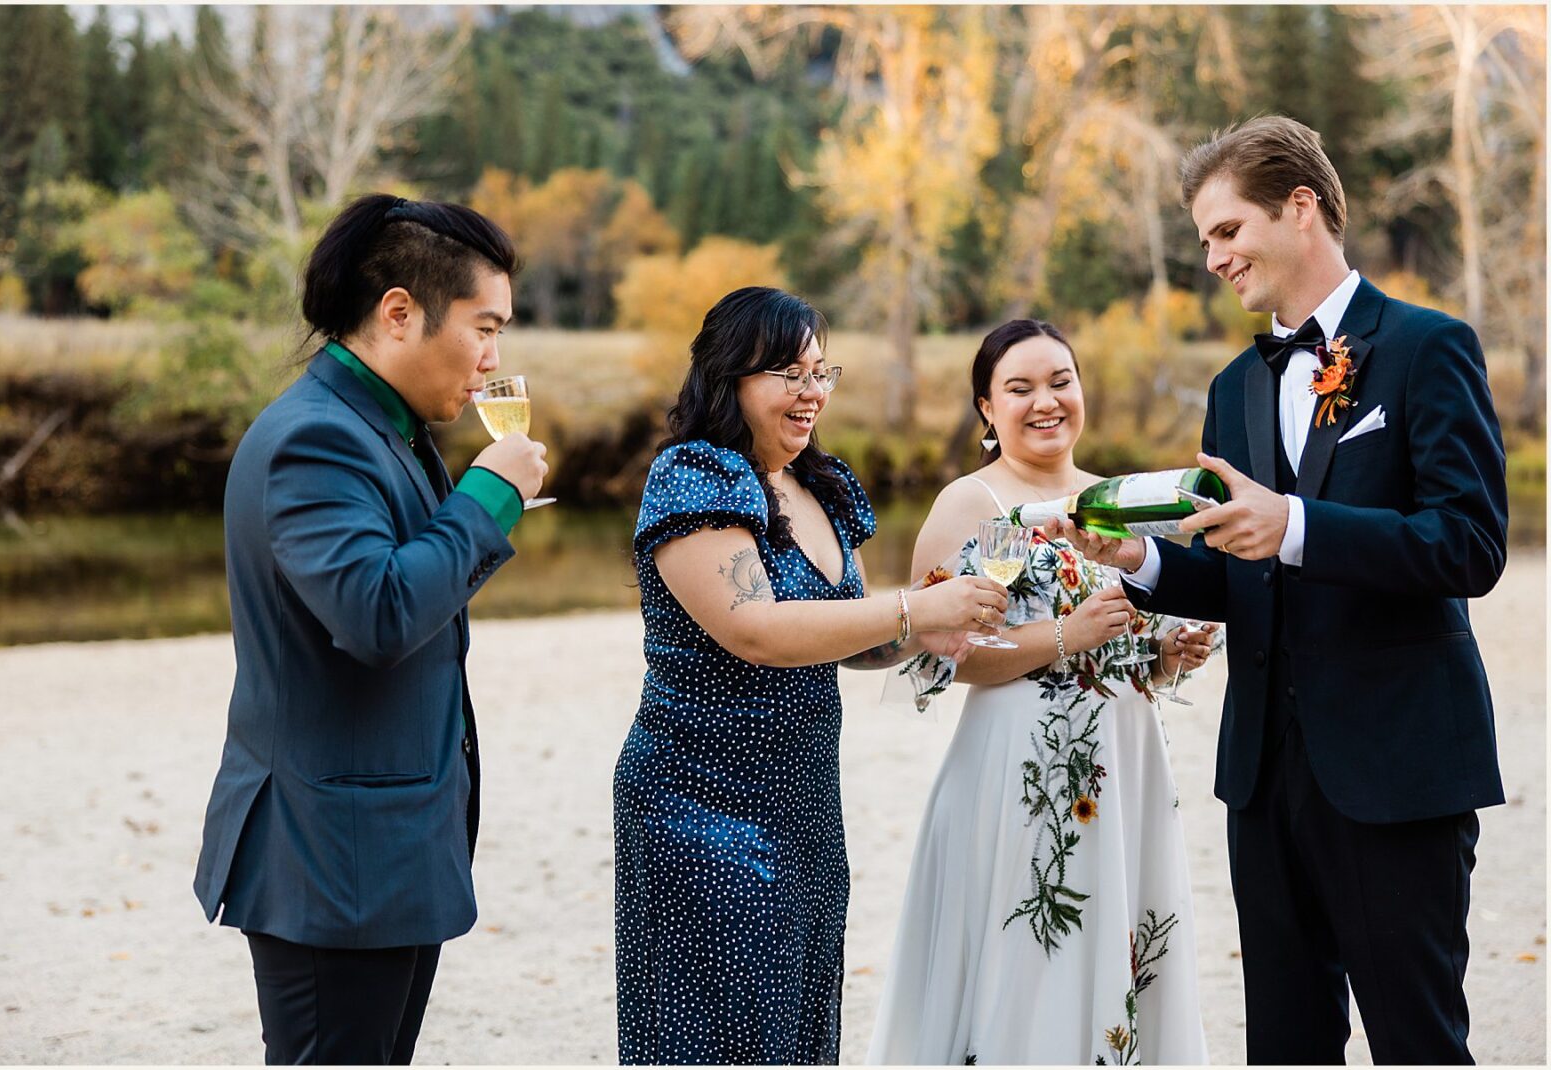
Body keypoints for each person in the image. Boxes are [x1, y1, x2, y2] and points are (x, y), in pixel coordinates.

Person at [1055, 116, 1508, 1064]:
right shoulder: (1232, 387)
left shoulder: (1429, 348)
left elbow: (1470, 546)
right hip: (1264, 780)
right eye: (1205, 239)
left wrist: (1298, 527)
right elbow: (1237, 579)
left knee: (1419, 1041)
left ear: (1302, 208)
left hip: (1397, 770)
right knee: (1285, 1047)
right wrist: (1135, 565)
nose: (1214, 257)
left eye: (1227, 231)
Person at [193, 194, 548, 1064]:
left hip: (382, 852)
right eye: (484, 327)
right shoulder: (318, 439)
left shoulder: (383, 427)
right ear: (398, 313)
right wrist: (491, 495)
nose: (494, 358)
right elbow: (378, 613)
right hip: (329, 859)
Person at [612, 286, 1009, 1064]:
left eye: (821, 373)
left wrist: (937, 631)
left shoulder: (821, 486)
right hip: (698, 802)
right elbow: (754, 630)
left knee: (795, 1027)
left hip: (805, 808)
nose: (811, 393)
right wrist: (911, 610)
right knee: (715, 1036)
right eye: (788, 374)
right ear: (730, 377)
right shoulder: (696, 475)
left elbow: (851, 639)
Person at [866, 319, 1215, 1065]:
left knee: (1117, 946)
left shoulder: (1115, 499)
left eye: (1061, 381)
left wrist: (1163, 653)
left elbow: (1121, 644)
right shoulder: (982, 506)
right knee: (1030, 964)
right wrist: (1069, 636)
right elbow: (945, 655)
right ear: (987, 410)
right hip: (1023, 774)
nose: (1046, 401)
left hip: (1125, 768)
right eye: (1019, 389)